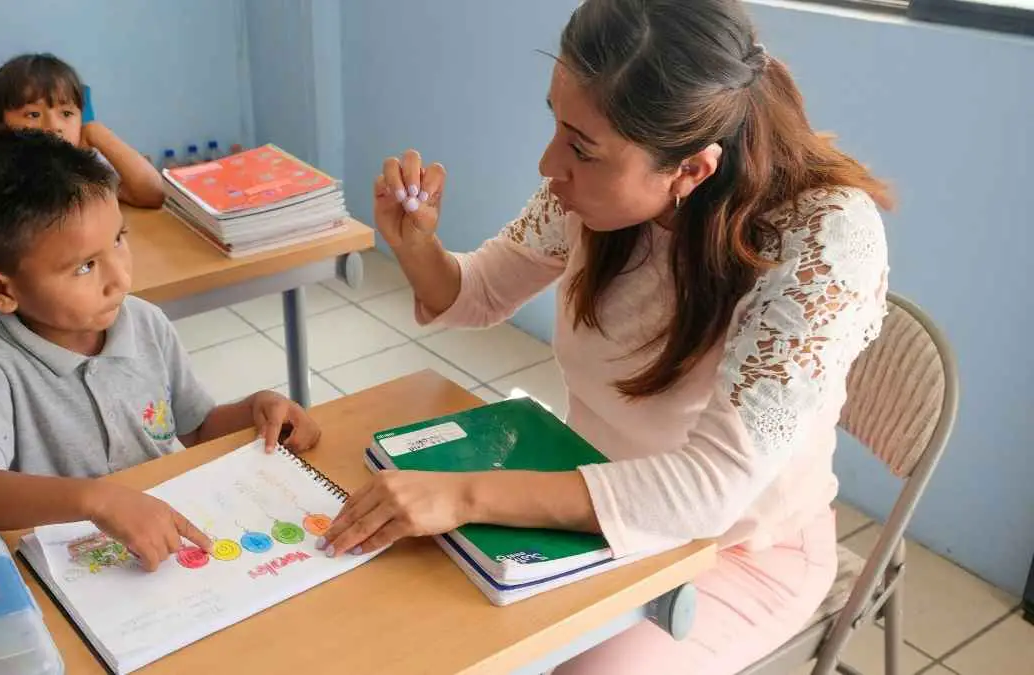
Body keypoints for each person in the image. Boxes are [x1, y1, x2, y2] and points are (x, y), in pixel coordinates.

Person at [319, 0, 891, 671]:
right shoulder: (593, 193)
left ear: (691, 171)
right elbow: (477, 294)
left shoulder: (822, 238)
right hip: (586, 499)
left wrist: (465, 492)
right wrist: (416, 246)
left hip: (736, 548)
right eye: (557, 125)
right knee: (410, 612)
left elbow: (709, 491)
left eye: (581, 149)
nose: (548, 164)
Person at [0, 129, 319, 572]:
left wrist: (254, 410)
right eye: (84, 266)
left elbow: (196, 427)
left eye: (119, 239)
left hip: (170, 542)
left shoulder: (144, 322)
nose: (119, 279)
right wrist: (97, 499)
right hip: (70, 567)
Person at [0, 53, 165, 252]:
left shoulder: (87, 167)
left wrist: (98, 132)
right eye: (33, 115)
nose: (53, 126)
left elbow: (151, 193)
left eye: (67, 114)